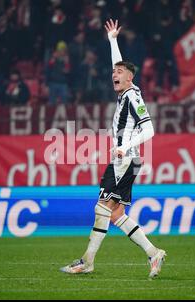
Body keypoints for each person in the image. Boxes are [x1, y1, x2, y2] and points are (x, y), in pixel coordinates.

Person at [60, 19, 166, 279]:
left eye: (118, 73)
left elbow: (150, 130)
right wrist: (112, 40)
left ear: (129, 77)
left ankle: (87, 261)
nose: (113, 75)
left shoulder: (132, 97)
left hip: (126, 158)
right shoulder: (126, 92)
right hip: (127, 158)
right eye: (113, 72)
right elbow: (118, 66)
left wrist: (125, 147)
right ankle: (154, 253)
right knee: (117, 213)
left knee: (102, 208)